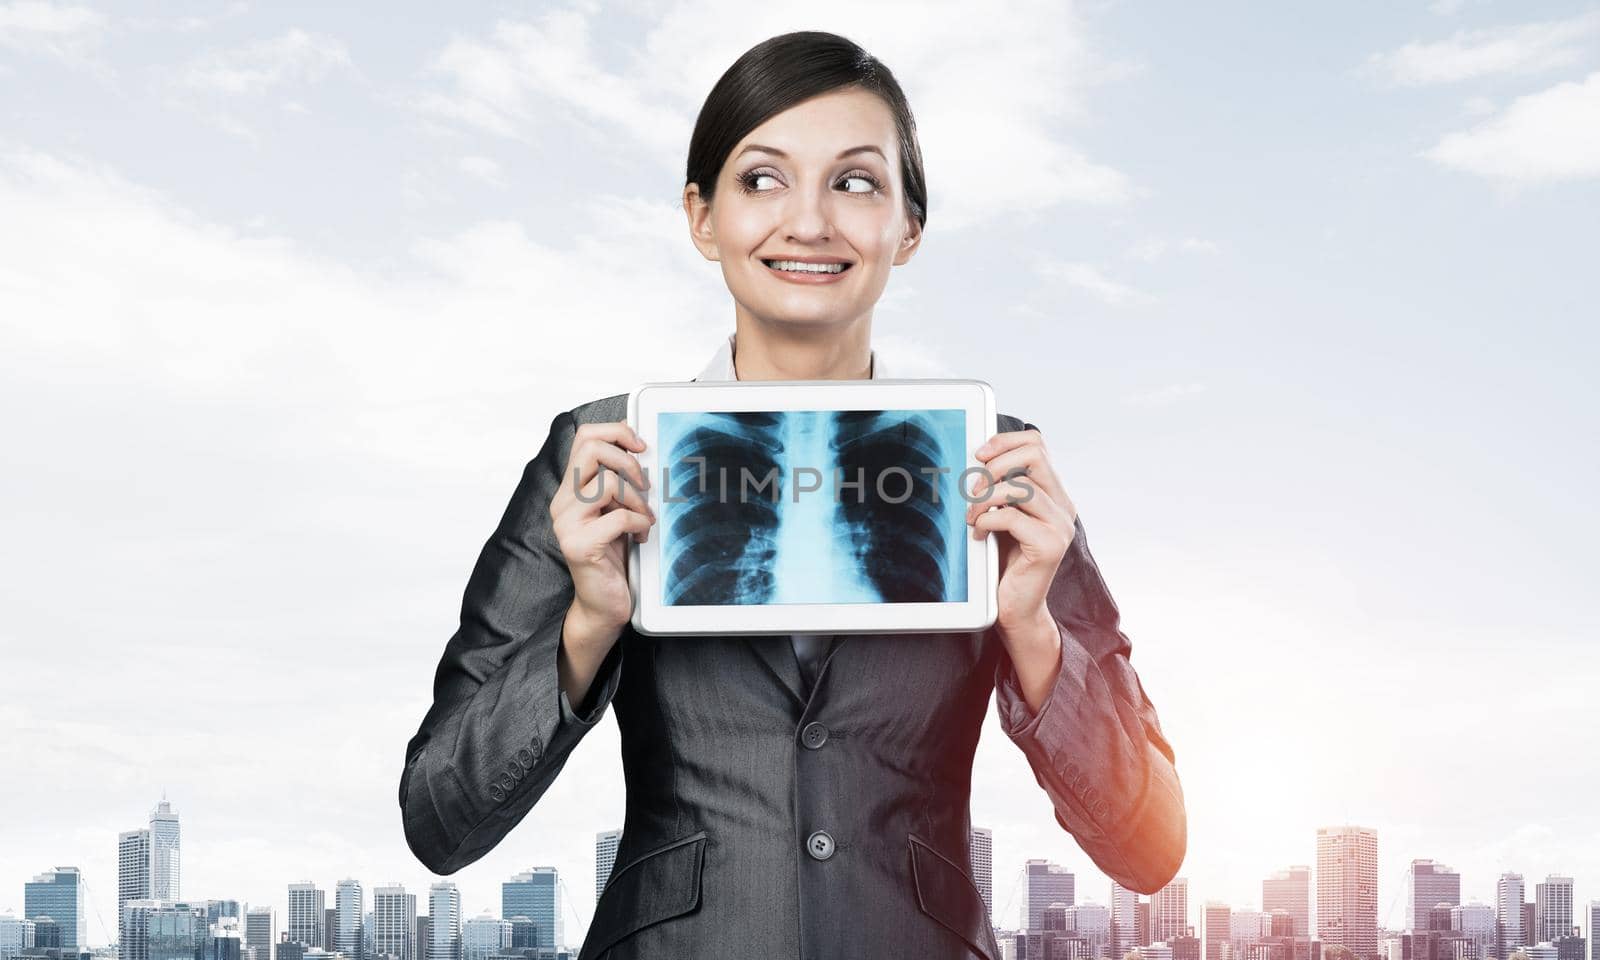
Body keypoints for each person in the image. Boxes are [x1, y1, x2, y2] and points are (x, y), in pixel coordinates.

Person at [398, 30, 1185, 960]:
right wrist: (589, 625)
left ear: (910, 227)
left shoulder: (993, 467)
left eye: (855, 183)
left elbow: (1150, 847)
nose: (808, 222)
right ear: (701, 217)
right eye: (763, 179)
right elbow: (438, 820)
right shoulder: (601, 459)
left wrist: (1035, 638)